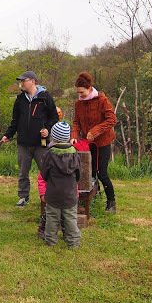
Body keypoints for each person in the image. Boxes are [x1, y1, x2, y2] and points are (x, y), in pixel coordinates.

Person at [1, 70, 58, 207]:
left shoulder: (45, 97)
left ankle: (49, 196)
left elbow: (54, 118)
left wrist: (47, 129)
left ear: (32, 81)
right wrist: (8, 134)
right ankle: (23, 197)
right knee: (23, 172)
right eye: (20, 81)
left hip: (41, 143)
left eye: (23, 80)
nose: (21, 83)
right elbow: (15, 120)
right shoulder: (19, 100)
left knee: (46, 170)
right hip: (23, 144)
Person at [71, 71, 118, 213]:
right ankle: (92, 196)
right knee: (89, 172)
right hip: (88, 143)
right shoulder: (78, 103)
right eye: (78, 93)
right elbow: (76, 122)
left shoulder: (102, 100)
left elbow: (112, 120)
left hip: (103, 142)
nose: (80, 95)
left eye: (82, 93)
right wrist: (74, 135)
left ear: (90, 88)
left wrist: (95, 131)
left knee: (101, 172)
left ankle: (111, 202)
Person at [41, 121, 81, 248]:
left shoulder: (49, 153)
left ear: (54, 137)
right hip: (70, 193)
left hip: (53, 193)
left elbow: (44, 173)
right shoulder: (74, 153)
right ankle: (73, 242)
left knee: (52, 218)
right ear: (68, 137)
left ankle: (50, 241)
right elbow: (78, 173)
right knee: (70, 219)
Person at [36, 106, 64, 239]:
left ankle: (67, 231)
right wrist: (43, 193)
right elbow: (42, 177)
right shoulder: (48, 155)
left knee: (66, 215)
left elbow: (75, 177)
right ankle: (43, 228)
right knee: (50, 212)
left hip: (66, 193)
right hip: (51, 193)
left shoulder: (71, 155)